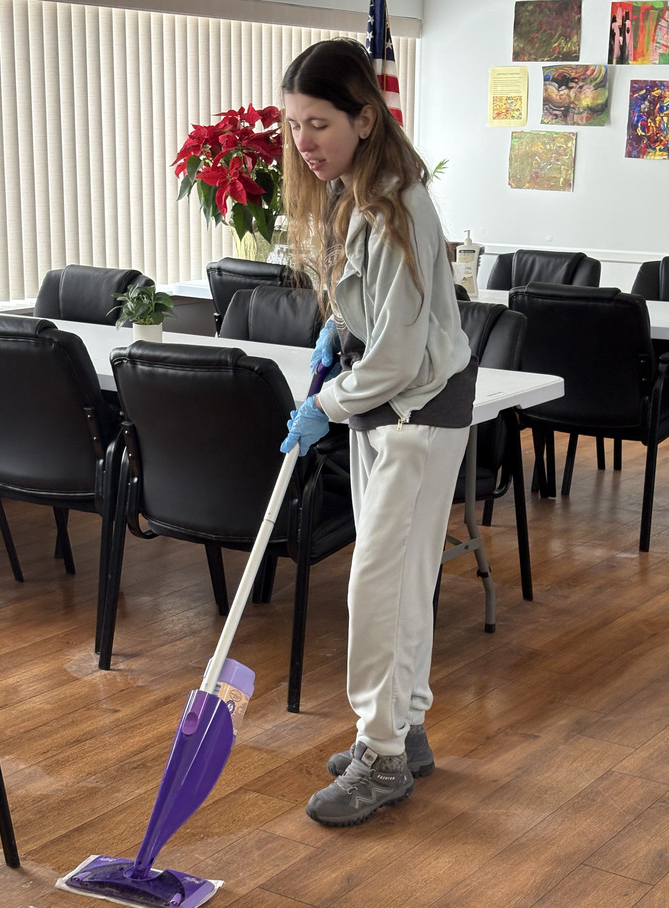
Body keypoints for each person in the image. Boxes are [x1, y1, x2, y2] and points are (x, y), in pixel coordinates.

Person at [279, 38, 477, 827]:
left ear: (365, 118)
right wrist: (340, 328)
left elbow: (397, 357)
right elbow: (381, 314)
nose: (304, 142)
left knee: (378, 588)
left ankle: (381, 755)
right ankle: (405, 728)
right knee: (401, 582)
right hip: (394, 408)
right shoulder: (356, 191)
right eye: (294, 125)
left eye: (319, 123)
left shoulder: (396, 206)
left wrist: (326, 405)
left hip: (413, 413)